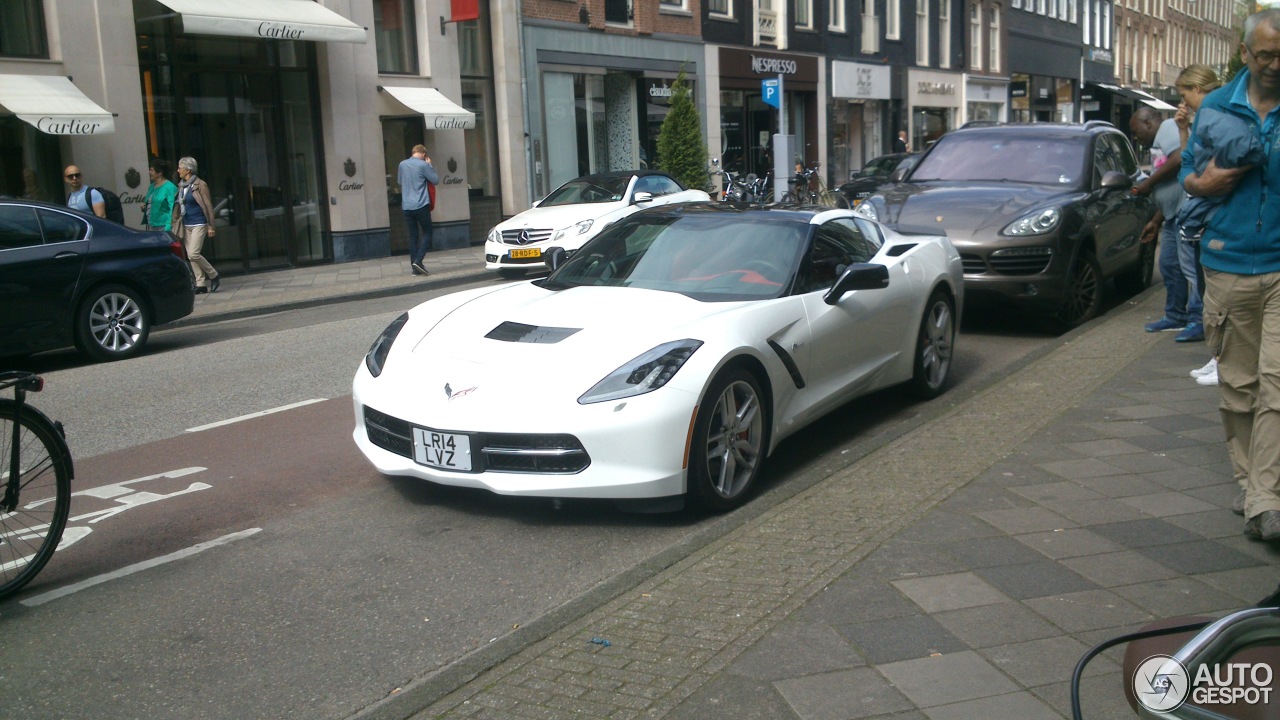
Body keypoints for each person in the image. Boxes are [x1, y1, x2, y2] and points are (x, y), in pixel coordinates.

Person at [1180, 8, 1280, 542]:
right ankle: (1250, 484)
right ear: (1245, 53)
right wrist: (1205, 184)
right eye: (1264, 54)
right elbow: (1191, 175)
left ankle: (1267, 499)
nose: (1273, 65)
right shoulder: (1217, 106)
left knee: (1278, 383)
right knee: (1239, 386)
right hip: (1228, 261)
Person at [1130, 106, 1200, 342]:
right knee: (1169, 264)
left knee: (1191, 269)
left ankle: (1198, 320)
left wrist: (1148, 183)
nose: (1135, 136)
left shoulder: (1169, 128)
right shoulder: (1158, 141)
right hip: (1170, 215)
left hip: (1185, 212)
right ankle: (1176, 316)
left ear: (1148, 122)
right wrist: (1155, 221)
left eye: (1136, 130)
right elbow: (1169, 186)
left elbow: (1181, 157)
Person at [1174, 66, 1224, 384]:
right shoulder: (1206, 112)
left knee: (1214, 290)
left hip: (1213, 214)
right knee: (1208, 287)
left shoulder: (1215, 108)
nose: (1184, 103)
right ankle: (1219, 356)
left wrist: (1194, 182)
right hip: (1204, 208)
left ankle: (1224, 359)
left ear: (1196, 88)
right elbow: (1189, 159)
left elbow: (1201, 166)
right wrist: (1183, 130)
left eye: (1184, 95)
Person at [171, 156, 220, 294]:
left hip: (199, 222)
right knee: (189, 254)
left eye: (180, 167)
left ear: (188, 170)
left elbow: (209, 206)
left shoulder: (200, 185)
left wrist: (211, 226)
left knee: (193, 253)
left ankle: (214, 275)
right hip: (187, 224)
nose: (178, 170)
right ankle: (201, 283)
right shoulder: (181, 186)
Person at [397, 144, 439, 276]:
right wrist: (430, 165)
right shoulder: (423, 165)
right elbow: (435, 180)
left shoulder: (402, 165)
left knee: (413, 235)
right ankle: (419, 260)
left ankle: (414, 267)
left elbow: (399, 181)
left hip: (406, 206)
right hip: (421, 204)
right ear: (423, 154)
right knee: (427, 232)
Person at [142, 158, 178, 232]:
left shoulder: (170, 187)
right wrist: (144, 207)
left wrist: (168, 227)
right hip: (151, 225)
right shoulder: (151, 187)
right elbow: (150, 203)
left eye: (151, 170)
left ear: (160, 172)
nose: (149, 172)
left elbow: (173, 208)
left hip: (164, 226)